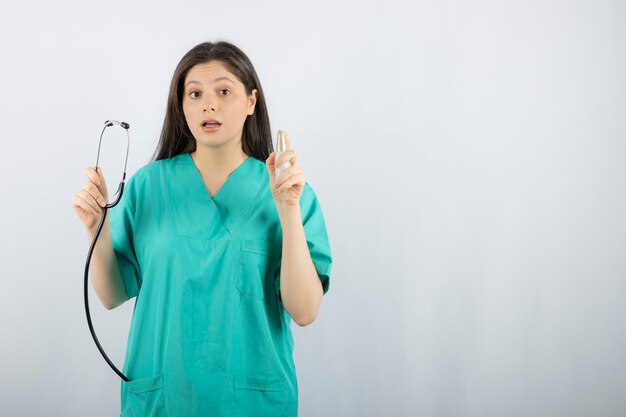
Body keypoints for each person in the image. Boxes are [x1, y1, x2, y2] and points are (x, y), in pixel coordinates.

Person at [71, 40, 333, 417]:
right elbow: (112, 294)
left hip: (251, 402)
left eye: (223, 91)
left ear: (250, 102)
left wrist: (288, 209)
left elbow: (305, 310)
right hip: (165, 399)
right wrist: (97, 225)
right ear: (182, 105)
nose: (208, 104)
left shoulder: (288, 192)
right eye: (194, 93)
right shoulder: (149, 187)